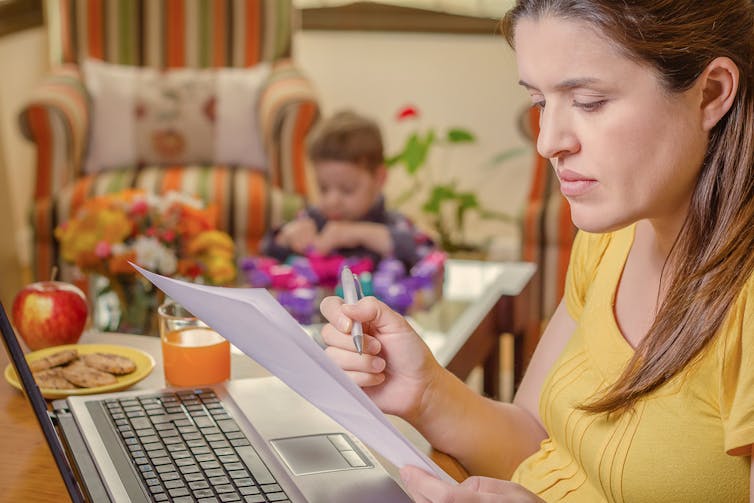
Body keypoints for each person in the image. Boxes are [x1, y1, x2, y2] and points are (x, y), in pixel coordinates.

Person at [318, 1, 754, 501]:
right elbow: (537, 443)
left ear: (712, 92)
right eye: (541, 102)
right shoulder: (613, 237)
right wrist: (425, 391)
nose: (548, 142)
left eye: (588, 101)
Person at [261, 110, 434, 269]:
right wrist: (287, 237)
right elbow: (268, 249)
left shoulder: (394, 224)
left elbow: (428, 252)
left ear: (379, 178)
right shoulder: (313, 220)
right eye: (323, 188)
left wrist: (360, 234)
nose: (332, 201)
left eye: (347, 189)